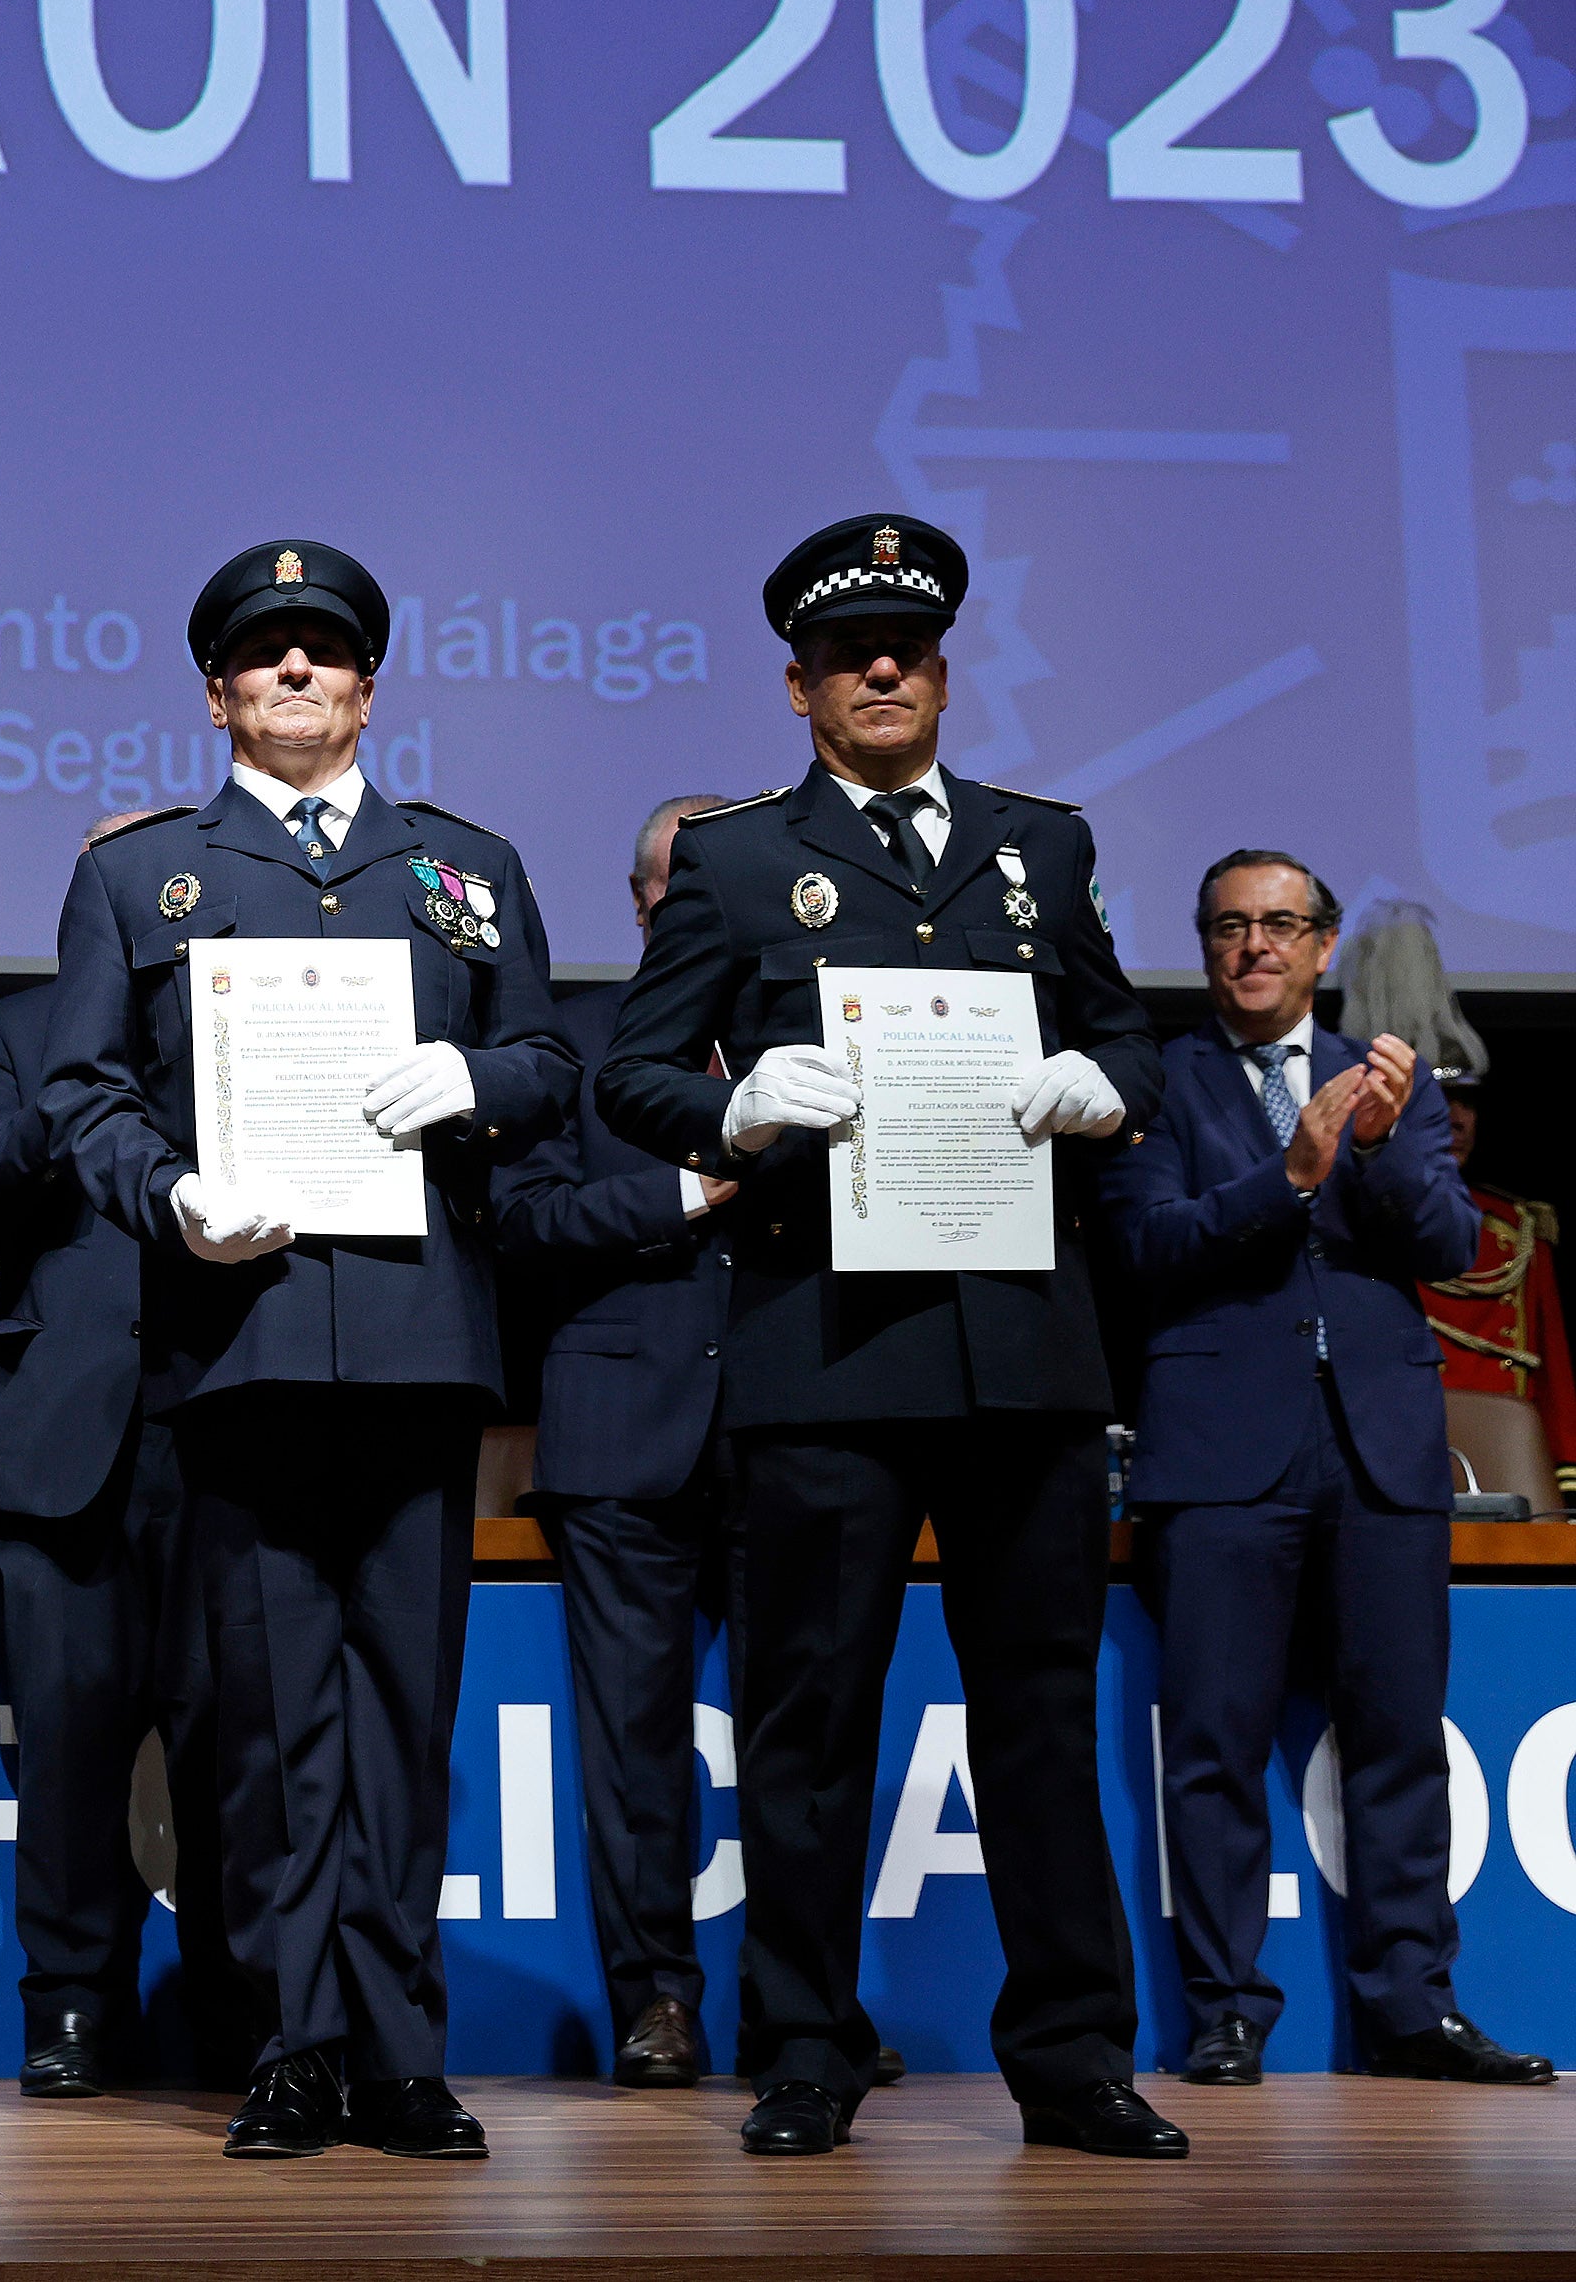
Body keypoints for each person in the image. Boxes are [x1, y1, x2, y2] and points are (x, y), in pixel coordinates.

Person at [596, 513, 1181, 2161]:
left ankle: (1071, 2057)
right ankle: (801, 2047)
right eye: (848, 652)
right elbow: (624, 1072)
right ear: (795, 684)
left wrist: (1110, 1083)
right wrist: (734, 1102)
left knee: (1041, 1718)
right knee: (806, 1721)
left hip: (1021, 1348)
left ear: (938, 670)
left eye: (907, 647)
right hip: (825, 1344)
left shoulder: (1037, 846)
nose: (879, 670)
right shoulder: (726, 859)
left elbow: (1124, 1024)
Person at [43, 539, 570, 2161]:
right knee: (267, 1721)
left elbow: (550, 1053)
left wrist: (471, 1088)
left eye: (321, 652)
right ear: (213, 688)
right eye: (261, 652)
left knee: (406, 1711)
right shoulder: (142, 877)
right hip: (238, 1341)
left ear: (365, 684)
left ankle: (400, 2051)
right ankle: (286, 2039)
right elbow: (78, 1094)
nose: (292, 673)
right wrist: (171, 1188)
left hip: (414, 1338)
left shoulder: (458, 869)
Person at [1104, 852, 1550, 2090]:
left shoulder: (1388, 1079)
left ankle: (1413, 2005)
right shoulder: (1159, 1079)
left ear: (1323, 944)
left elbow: (1452, 1245)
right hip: (1219, 1452)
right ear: (1205, 945)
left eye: (1281, 925)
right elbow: (1143, 1249)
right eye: (1232, 926)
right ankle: (1229, 2010)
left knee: (1399, 1742)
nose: (1256, 945)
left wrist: (1385, 1146)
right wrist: (1291, 1172)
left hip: (1379, 1451)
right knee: (1212, 1746)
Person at [0, 812, 238, 2099]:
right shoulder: (15, 1025)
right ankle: (70, 2010)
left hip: (221, 1414)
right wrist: (77, 1090)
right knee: (65, 1755)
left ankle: (241, 2005)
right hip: (61, 1434)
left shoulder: (240, 1008)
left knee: (235, 1742)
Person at [490, 795, 742, 2090]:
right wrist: (689, 1192)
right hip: (619, 1433)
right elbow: (522, 1222)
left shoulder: (817, 1048)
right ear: (639, 902)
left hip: (789, 1424)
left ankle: (810, 2010)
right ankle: (654, 1998)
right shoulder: (574, 1046)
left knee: (810, 1741)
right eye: (673, 880)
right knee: (632, 1747)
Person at [1349, 905, 1576, 1508]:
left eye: (1466, 1101)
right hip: (1385, 1455)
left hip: (1507, 1474)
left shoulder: (1518, 1229)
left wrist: (1568, 1473)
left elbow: (1554, 1384)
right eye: (1436, 1099)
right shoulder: (1354, 1213)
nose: (1453, 1118)